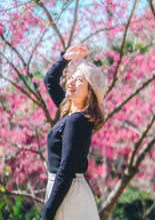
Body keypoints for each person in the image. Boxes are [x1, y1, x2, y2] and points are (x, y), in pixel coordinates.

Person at [42, 43, 107, 220]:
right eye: (72, 77)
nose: (70, 81)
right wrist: (65, 59)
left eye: (79, 80)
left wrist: (48, 211)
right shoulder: (71, 113)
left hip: (68, 194)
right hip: (66, 190)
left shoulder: (77, 120)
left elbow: (66, 169)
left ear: (90, 92)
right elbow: (50, 81)